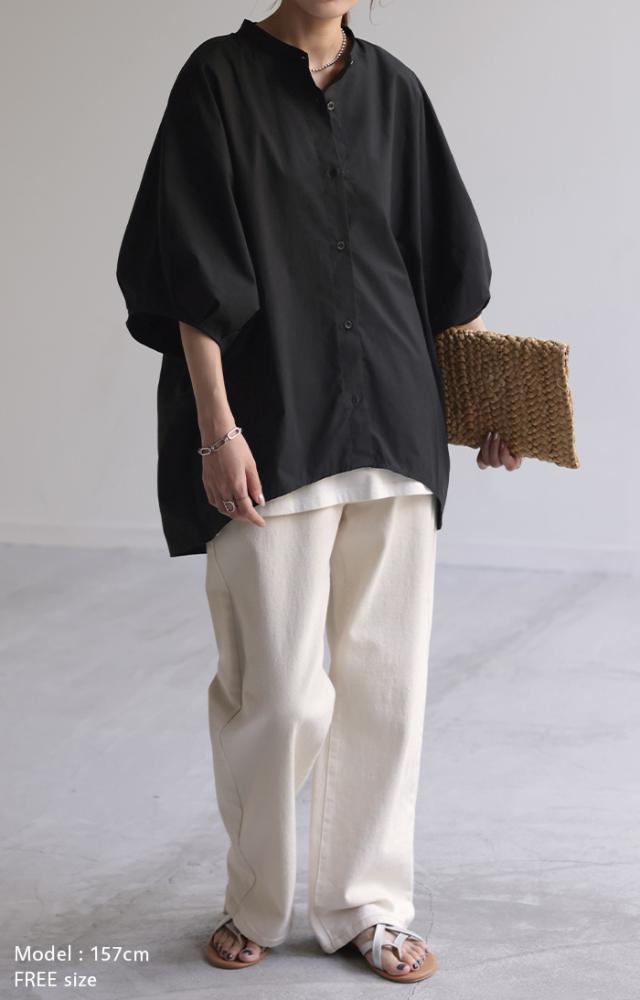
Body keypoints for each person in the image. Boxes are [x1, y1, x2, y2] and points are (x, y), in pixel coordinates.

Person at [116, 0, 522, 984]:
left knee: (386, 687)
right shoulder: (216, 80)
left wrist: (488, 405)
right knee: (281, 695)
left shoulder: (395, 91)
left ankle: (367, 907)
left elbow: (443, 267)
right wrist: (217, 430)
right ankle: (257, 896)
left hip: (394, 418)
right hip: (272, 426)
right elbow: (187, 273)